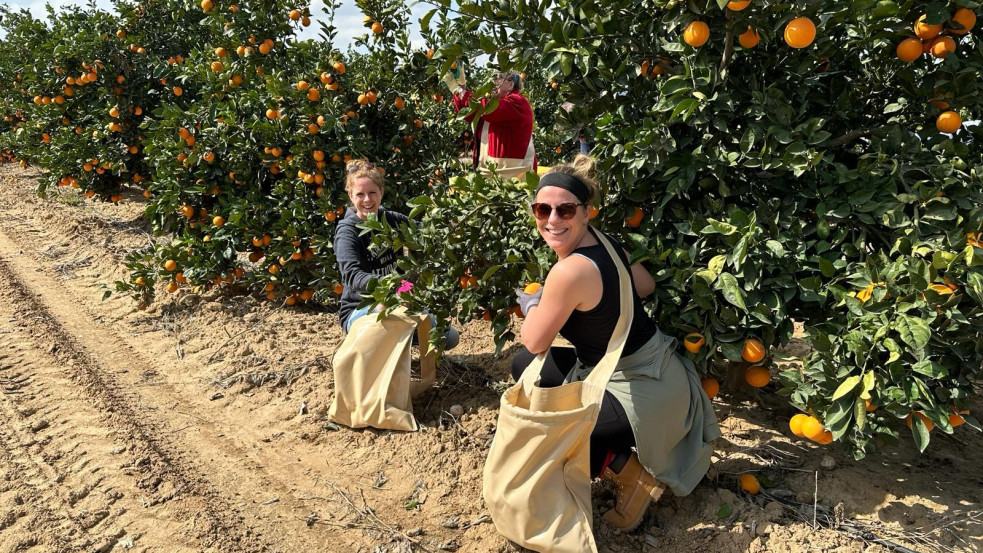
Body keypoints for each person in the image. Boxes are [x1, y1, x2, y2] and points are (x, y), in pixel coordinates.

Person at [511, 155, 720, 531]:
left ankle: (631, 475)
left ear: (587, 211)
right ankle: (616, 459)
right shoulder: (605, 243)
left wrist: (535, 303)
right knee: (524, 367)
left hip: (641, 392)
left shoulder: (569, 269)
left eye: (566, 210)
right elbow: (646, 285)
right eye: (543, 209)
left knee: (555, 433)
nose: (553, 220)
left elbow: (535, 338)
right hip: (661, 373)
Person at [333, 159, 459, 348]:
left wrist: (450, 226)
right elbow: (352, 276)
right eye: (360, 194)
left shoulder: (390, 219)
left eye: (372, 193)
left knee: (447, 337)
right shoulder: (347, 232)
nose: (367, 200)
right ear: (351, 195)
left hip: (397, 300)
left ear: (381, 193)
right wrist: (392, 285)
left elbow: (423, 230)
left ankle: (402, 351)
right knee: (388, 316)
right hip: (359, 309)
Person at [443, 64, 536, 179]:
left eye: (499, 77)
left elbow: (486, 108)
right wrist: (461, 86)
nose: (494, 81)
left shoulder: (518, 102)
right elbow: (468, 113)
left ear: (511, 84)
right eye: (493, 77)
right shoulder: (494, 103)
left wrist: (459, 90)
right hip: (493, 175)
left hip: (515, 177)